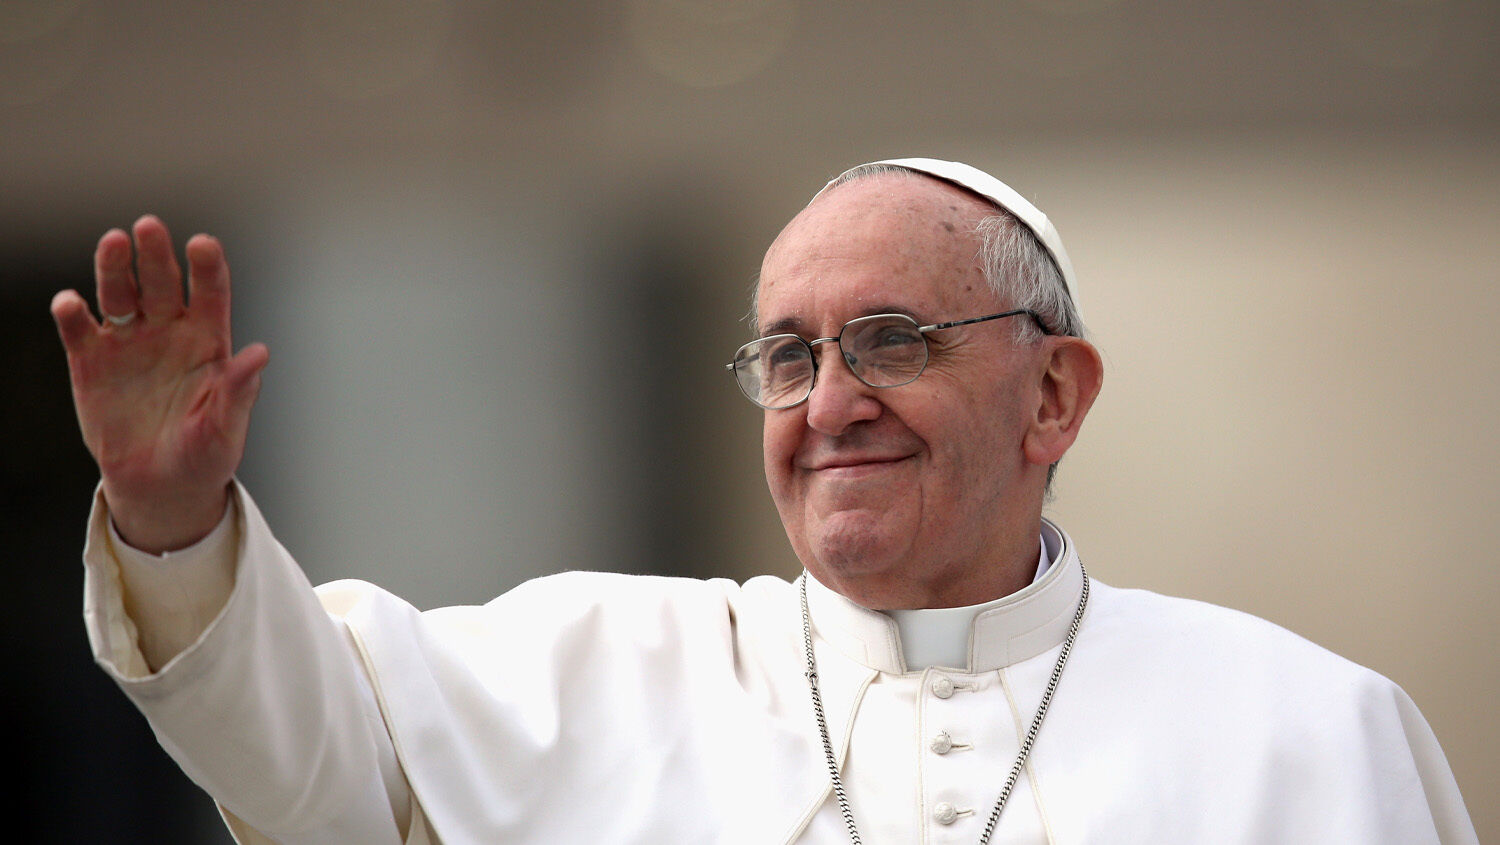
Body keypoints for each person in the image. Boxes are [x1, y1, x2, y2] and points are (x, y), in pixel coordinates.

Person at [52, 159, 1477, 844]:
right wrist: (175, 514)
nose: (830, 402)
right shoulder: (597, 667)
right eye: (790, 356)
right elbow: (305, 752)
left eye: (894, 341)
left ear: (1055, 395)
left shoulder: (1313, 731)